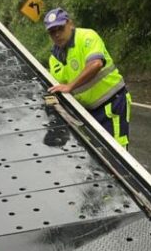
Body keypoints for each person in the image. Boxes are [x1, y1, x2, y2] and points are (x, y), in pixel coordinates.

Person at [44, 8, 131, 148]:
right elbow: (58, 89)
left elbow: (96, 64)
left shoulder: (86, 36)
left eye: (60, 28)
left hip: (112, 103)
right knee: (97, 154)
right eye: (52, 32)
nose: (57, 34)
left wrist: (70, 86)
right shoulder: (54, 59)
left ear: (70, 24)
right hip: (88, 112)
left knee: (117, 152)